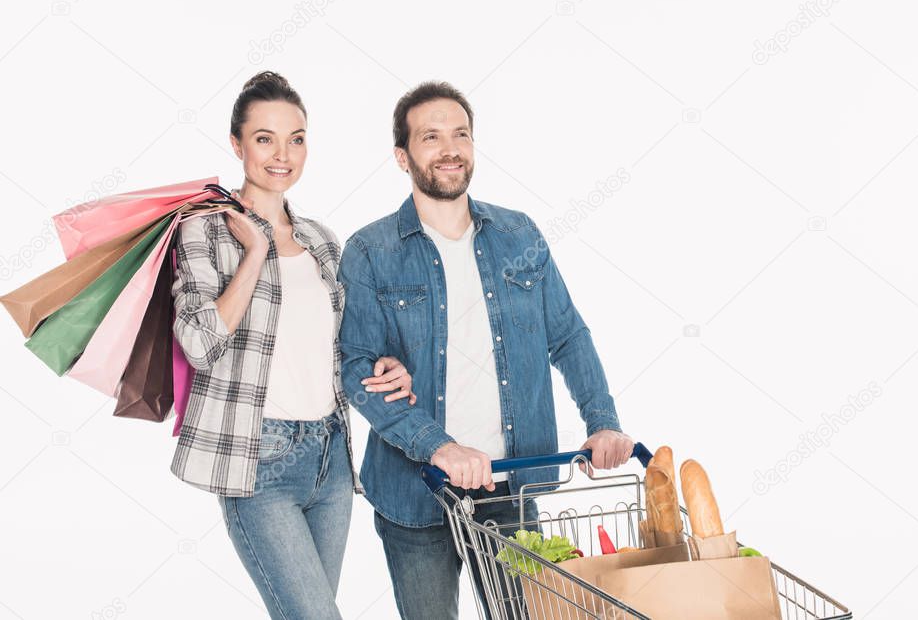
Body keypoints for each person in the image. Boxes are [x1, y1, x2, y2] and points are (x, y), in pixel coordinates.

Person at [339, 81, 633, 619]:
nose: (450, 148)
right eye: (431, 137)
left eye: (461, 134)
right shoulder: (368, 251)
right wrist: (439, 446)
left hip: (512, 490)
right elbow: (357, 367)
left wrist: (603, 420)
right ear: (403, 157)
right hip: (414, 494)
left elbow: (567, 335)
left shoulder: (520, 235)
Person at [171, 71, 414, 619]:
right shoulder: (203, 231)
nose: (283, 154)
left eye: (296, 138)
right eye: (265, 138)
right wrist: (255, 253)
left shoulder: (322, 239)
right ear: (237, 144)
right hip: (258, 460)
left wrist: (388, 363)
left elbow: (350, 346)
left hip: (331, 458)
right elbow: (199, 344)